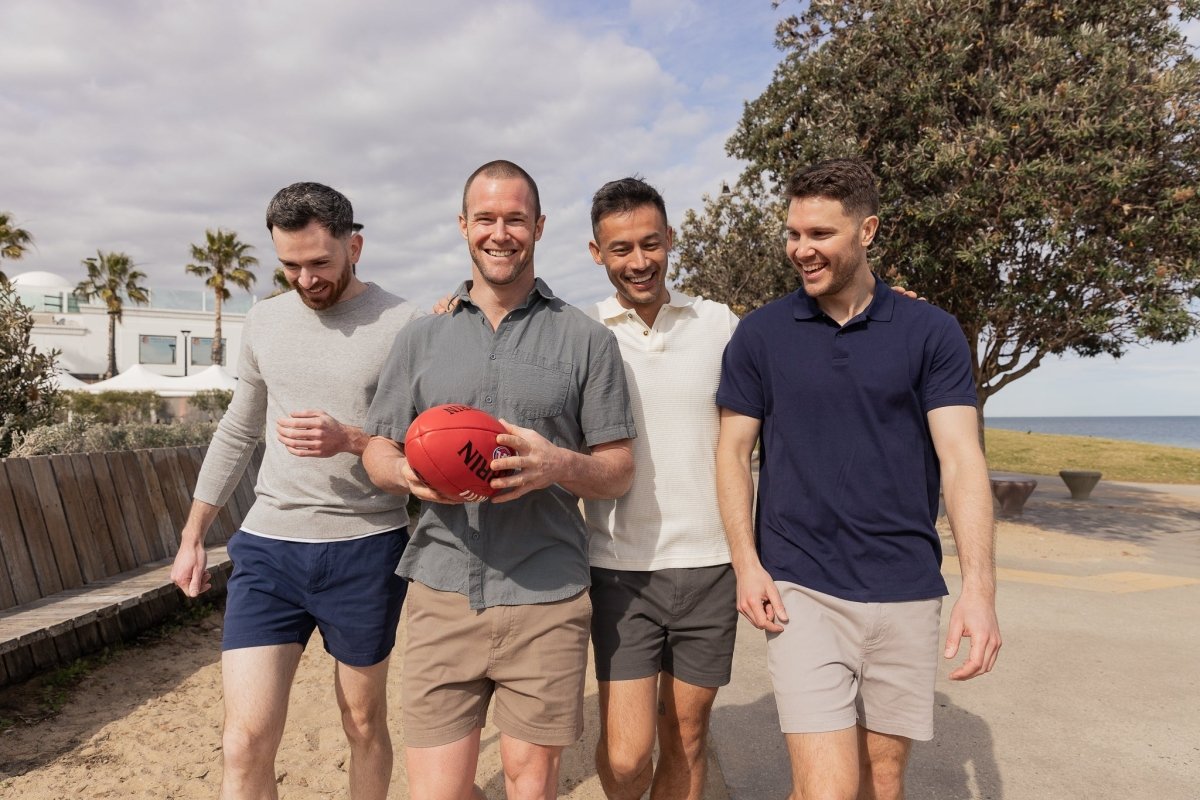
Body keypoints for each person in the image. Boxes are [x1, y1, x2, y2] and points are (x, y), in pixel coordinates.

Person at [715, 158, 1001, 800]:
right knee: (827, 791)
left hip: (905, 586)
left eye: (820, 234)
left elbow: (960, 458)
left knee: (885, 780)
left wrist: (978, 589)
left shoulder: (931, 330)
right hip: (802, 586)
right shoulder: (760, 335)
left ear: (867, 231)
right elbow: (733, 453)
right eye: (793, 233)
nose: (801, 249)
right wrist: (746, 563)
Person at [361, 159, 636, 800]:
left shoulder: (586, 340)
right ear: (464, 226)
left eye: (515, 218)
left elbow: (618, 471)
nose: (500, 232)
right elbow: (377, 447)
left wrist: (558, 466)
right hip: (440, 588)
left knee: (529, 786)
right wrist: (404, 472)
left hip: (546, 593)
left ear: (538, 226)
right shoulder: (421, 338)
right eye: (486, 218)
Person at [170, 181, 422, 800]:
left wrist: (351, 437)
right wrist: (194, 533)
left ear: (354, 246)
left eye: (320, 263)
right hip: (268, 548)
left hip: (367, 547)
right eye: (290, 265)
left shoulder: (406, 324)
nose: (305, 279)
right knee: (243, 740)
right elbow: (238, 427)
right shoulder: (264, 320)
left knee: (362, 722)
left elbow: (424, 441)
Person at [580, 177, 739, 800]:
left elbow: (799, 349)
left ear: (671, 239)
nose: (639, 261)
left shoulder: (721, 323)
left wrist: (878, 304)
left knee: (689, 736)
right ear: (597, 253)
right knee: (625, 757)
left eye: (651, 243)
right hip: (619, 569)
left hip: (711, 564)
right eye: (621, 249)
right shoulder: (580, 332)